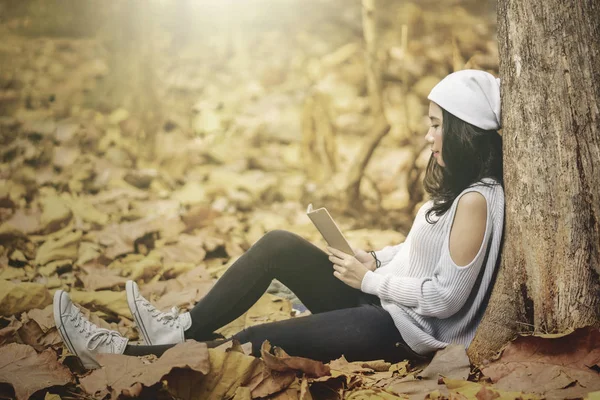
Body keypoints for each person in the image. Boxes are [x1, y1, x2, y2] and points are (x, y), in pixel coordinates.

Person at [53, 69, 504, 370]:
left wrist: (370, 283)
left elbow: (445, 298)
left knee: (258, 338)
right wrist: (373, 259)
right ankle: (180, 329)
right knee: (278, 245)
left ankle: (121, 355)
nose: (428, 137)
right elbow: (419, 254)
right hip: (383, 306)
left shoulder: (477, 202)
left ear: (464, 130)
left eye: (435, 125)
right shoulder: (461, 195)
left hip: (400, 333)